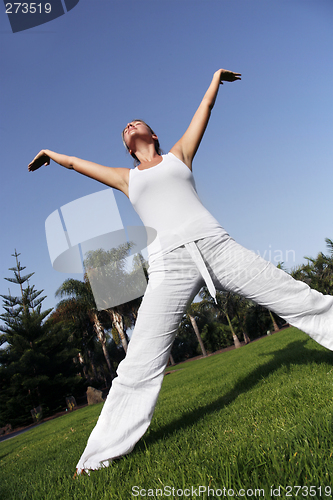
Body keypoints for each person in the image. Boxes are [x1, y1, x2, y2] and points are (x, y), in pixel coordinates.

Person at [28, 69, 333, 475]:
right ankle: (99, 456)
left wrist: (214, 80)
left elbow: (203, 109)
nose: (130, 126)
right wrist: (51, 153)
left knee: (295, 295)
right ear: (127, 146)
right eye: (125, 129)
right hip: (168, 264)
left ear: (153, 135)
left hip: (216, 246)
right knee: (139, 360)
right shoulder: (126, 178)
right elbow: (77, 165)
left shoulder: (178, 155)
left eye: (137, 122)